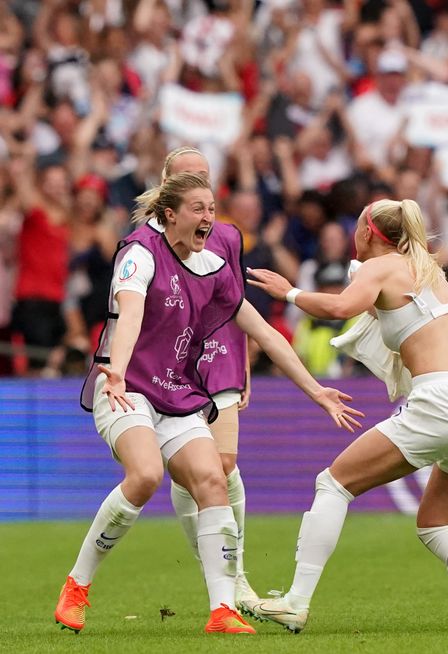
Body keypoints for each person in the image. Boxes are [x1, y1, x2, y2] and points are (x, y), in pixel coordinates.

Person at [54, 172, 362, 635]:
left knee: (212, 480)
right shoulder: (140, 253)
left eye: (212, 209)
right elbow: (131, 312)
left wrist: (315, 390)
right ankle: (77, 586)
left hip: (175, 393)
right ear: (170, 214)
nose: (209, 218)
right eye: (199, 209)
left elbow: (265, 334)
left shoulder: (212, 267)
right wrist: (116, 368)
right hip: (125, 386)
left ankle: (222, 611)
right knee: (145, 475)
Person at [243, 199, 448, 633]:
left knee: (333, 483)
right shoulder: (428, 269)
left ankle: (295, 602)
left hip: (444, 397)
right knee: (437, 523)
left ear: (368, 232)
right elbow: (387, 315)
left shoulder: (383, 266)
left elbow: (339, 309)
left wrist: (289, 293)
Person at [150, 146, 261, 612]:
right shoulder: (147, 240)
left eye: (206, 178)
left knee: (225, 465)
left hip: (220, 358)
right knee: (194, 473)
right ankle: (220, 572)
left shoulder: (229, 237)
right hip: (174, 366)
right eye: (189, 178)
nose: (201, 187)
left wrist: (245, 362)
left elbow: (236, 307)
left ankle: (237, 574)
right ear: (168, 190)